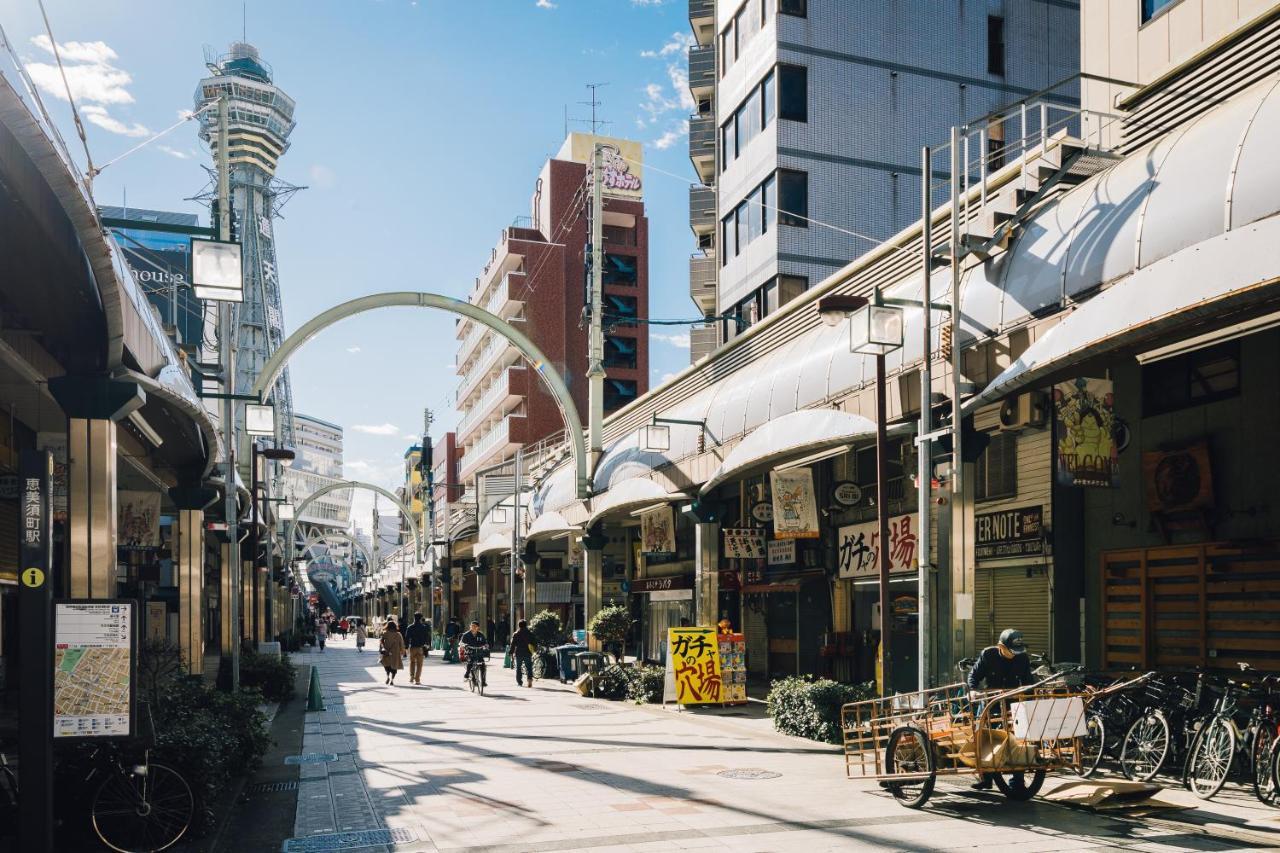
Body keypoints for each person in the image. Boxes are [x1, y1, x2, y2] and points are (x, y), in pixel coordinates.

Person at [966, 628, 1035, 790]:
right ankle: (986, 778)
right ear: (1001, 646)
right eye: (1011, 651)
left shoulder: (1022, 658)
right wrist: (973, 690)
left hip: (1012, 704)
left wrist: (1030, 699)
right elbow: (973, 676)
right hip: (991, 703)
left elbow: (1028, 683)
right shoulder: (988, 655)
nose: (1014, 654)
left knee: (1018, 740)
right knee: (982, 737)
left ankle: (1017, 781)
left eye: (1017, 651)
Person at [459, 620, 489, 688]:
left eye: (475, 626)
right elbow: (461, 643)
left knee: (483, 666)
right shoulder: (466, 635)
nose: (473, 627)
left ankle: (483, 681)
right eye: (472, 626)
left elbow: (485, 643)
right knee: (470, 663)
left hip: (479, 653)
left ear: (478, 627)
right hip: (470, 652)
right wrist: (464, 645)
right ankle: (467, 675)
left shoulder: (481, 635)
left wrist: (486, 646)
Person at [405, 612, 431, 685]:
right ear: (420, 618)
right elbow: (427, 637)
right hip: (421, 648)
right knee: (419, 664)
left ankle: (411, 677)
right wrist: (428, 645)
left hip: (412, 647)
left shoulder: (410, 627)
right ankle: (417, 679)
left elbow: (407, 638)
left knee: (412, 662)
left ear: (414, 618)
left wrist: (406, 647)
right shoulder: (424, 627)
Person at [510, 619, 535, 688]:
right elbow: (534, 642)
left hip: (519, 653)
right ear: (526, 625)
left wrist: (511, 652)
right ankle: (529, 680)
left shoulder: (516, 634)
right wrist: (534, 650)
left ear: (519, 625)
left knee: (518, 668)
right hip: (528, 652)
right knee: (529, 667)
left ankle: (519, 682)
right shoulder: (530, 633)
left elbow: (513, 645)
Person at [379, 620, 406, 685]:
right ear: (395, 626)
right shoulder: (398, 634)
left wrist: (381, 649)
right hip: (395, 653)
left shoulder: (385, 633)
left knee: (387, 666)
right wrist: (403, 652)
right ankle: (392, 680)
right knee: (394, 668)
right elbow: (401, 644)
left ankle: (387, 676)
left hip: (386, 652)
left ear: (387, 626)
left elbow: (381, 641)